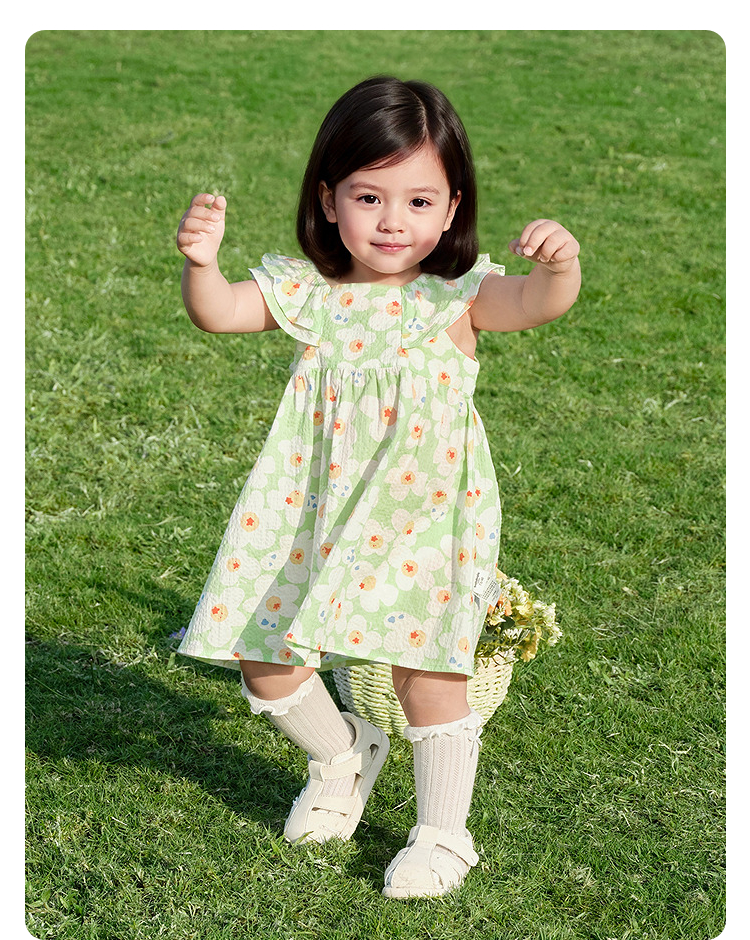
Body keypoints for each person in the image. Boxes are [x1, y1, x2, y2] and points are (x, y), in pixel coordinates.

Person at [175, 75, 580, 899]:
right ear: (329, 201)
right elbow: (217, 312)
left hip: (424, 516)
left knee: (425, 672)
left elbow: (539, 304)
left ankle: (443, 833)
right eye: (369, 197)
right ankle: (343, 756)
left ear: (453, 208)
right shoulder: (310, 292)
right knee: (261, 654)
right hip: (305, 506)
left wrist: (561, 264)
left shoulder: (457, 296)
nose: (394, 221)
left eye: (419, 201)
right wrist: (201, 264)